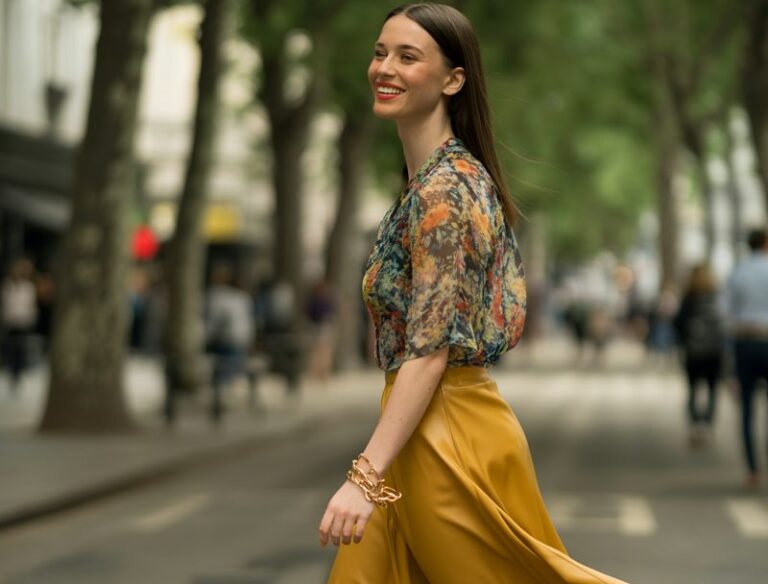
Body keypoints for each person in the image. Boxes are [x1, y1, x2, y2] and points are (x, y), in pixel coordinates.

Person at [319, 5, 629, 583]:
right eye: (380, 51)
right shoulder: (431, 184)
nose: (384, 67)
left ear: (452, 80)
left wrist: (364, 477)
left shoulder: (446, 193)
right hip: (421, 432)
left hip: (449, 438)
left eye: (408, 57)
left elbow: (430, 349)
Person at [725, 228, 768, 488]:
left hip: (745, 342)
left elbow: (726, 312)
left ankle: (753, 469)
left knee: (747, 409)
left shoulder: (738, 273)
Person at [673, 264, 724, 447]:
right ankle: (708, 425)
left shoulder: (689, 298)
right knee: (712, 390)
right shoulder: (717, 296)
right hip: (714, 351)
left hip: (693, 351)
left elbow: (678, 322)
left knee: (693, 389)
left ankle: (695, 425)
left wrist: (683, 341)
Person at [1, 259, 38, 391]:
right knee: (10, 348)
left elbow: (30, 306)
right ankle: (11, 372)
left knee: (20, 348)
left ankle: (18, 374)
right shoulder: (7, 286)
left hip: (23, 323)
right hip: (11, 323)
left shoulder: (28, 287)